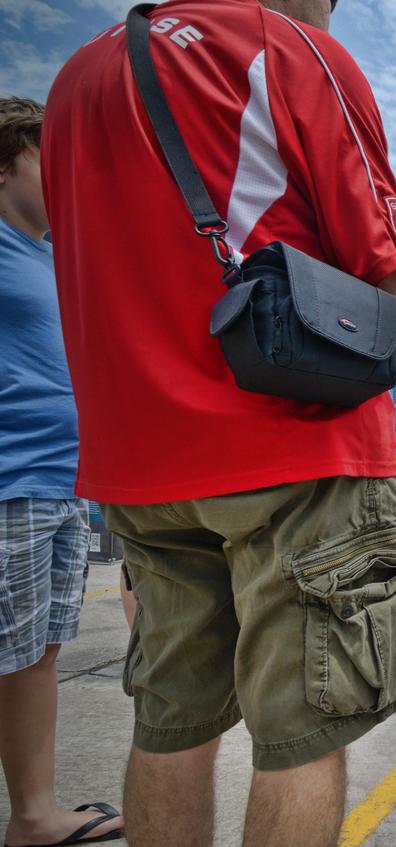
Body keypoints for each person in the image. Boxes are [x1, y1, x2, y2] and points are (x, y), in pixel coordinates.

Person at [42, 2, 396, 845]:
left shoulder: (75, 79)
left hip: (137, 466)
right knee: (303, 731)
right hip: (291, 451)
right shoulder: (288, 47)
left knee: (171, 723)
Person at [0, 96, 124, 847]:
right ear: (6, 160)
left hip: (60, 482)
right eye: (51, 156)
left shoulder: (56, 254)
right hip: (7, 480)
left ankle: (33, 814)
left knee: (36, 653)